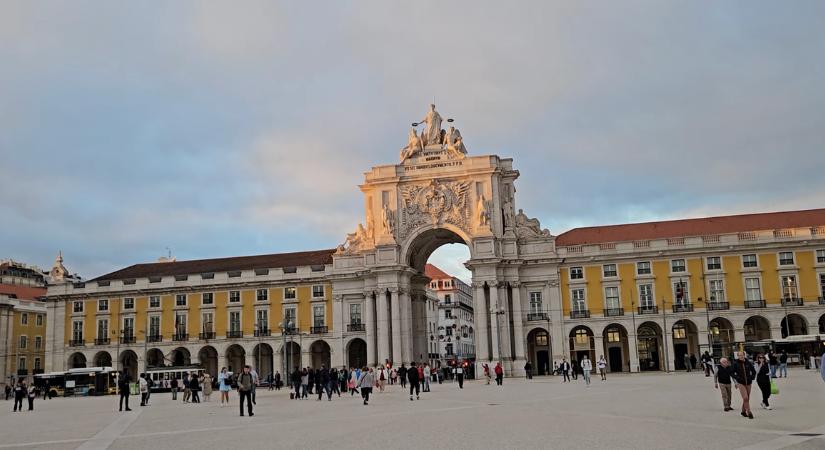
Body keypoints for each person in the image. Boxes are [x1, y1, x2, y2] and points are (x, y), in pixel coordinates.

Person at [731, 351, 756, 419]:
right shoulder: (735, 363)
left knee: (747, 398)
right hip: (741, 383)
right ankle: (749, 412)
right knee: (745, 397)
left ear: (744, 355)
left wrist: (752, 377)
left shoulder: (748, 363)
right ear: (737, 356)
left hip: (748, 382)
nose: (741, 356)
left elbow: (754, 371)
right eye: (739, 355)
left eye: (742, 355)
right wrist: (737, 377)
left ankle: (743, 411)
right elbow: (731, 372)